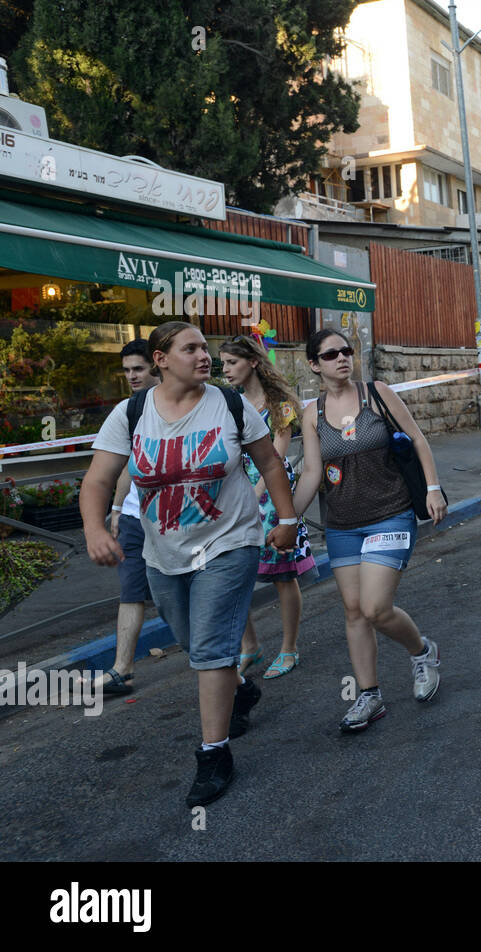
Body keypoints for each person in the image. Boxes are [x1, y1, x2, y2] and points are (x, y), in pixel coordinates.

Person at [81, 321, 299, 806]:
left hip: (230, 542)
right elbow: (98, 479)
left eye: (206, 347)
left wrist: (285, 519)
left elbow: (268, 462)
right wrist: (96, 528)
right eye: (191, 349)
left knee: (209, 646)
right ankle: (240, 688)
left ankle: (213, 753)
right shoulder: (131, 412)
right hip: (164, 551)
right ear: (161, 359)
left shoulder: (230, 404)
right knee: (190, 639)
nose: (205, 356)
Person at [295, 327, 448, 732]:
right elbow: (311, 473)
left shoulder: (376, 393)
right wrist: (286, 519)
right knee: (353, 612)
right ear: (314, 365)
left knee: (375, 607)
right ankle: (369, 694)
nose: (342, 358)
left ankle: (422, 652)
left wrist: (433, 489)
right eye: (331, 355)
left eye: (347, 351)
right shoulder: (312, 413)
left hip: (390, 513)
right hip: (342, 524)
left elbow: (417, 439)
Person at [218, 336, 316, 678]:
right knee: (231, 572)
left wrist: (253, 495)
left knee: (283, 576)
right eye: (224, 363)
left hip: (273, 497)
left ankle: (289, 648)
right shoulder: (227, 403)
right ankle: (251, 647)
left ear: (253, 362)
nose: (226, 370)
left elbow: (276, 452)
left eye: (232, 362)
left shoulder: (280, 404)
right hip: (235, 495)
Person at [87, 340, 155, 697]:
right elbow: (121, 466)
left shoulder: (176, 406)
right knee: (130, 592)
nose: (131, 376)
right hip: (133, 518)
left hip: (176, 519)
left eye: (138, 369)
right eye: (127, 370)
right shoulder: (126, 410)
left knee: (193, 592)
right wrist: (115, 510)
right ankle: (122, 668)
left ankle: (234, 658)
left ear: (156, 366)